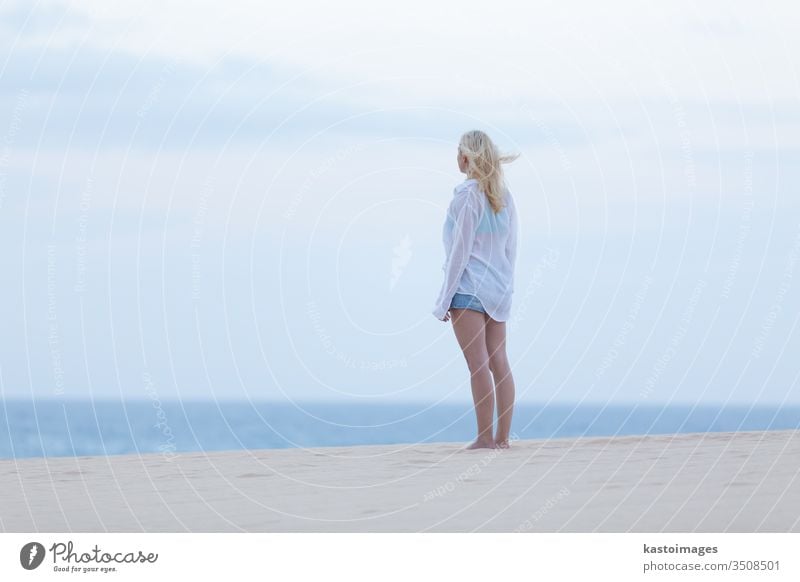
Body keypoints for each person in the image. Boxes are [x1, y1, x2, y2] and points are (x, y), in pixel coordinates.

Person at [432, 130, 519, 450]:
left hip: (470, 290)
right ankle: (502, 439)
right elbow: (511, 249)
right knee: (500, 362)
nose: (456, 158)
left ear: (466, 158)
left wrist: (444, 300)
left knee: (478, 364)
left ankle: (485, 438)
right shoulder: (504, 197)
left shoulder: (467, 196)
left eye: (457, 152)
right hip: (498, 289)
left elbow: (459, 251)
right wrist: (507, 288)